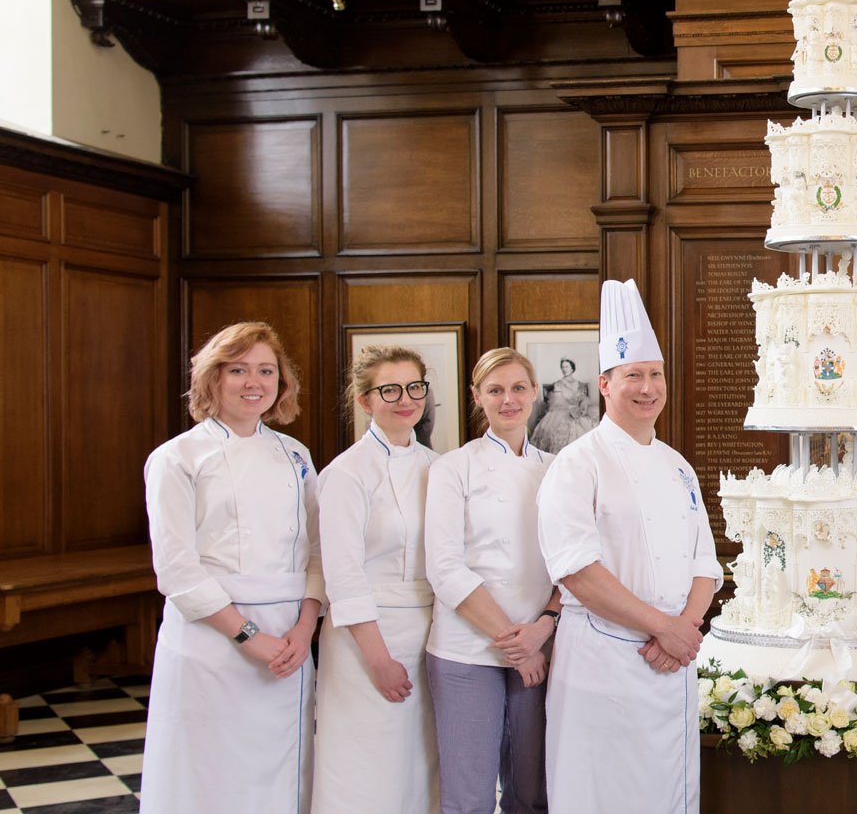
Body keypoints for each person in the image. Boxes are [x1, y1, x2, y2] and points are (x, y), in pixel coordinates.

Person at [538, 280, 723, 813]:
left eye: (655, 374)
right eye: (633, 375)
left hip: (671, 662)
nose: (647, 388)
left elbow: (704, 563)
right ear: (604, 384)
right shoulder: (577, 464)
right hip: (604, 662)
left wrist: (682, 628)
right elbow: (577, 572)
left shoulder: (677, 466)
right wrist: (663, 627)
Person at [140, 322, 323, 814]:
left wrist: (305, 629)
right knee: (208, 777)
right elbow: (177, 569)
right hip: (211, 640)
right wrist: (248, 636)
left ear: (281, 381)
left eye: (266, 370)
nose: (253, 382)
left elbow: (317, 552)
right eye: (238, 370)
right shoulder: (176, 458)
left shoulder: (296, 455)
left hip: (288, 641)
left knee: (282, 774)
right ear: (212, 378)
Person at [425, 348, 560, 814]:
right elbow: (445, 569)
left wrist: (540, 631)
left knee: (533, 793)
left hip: (541, 644)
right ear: (476, 396)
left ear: (535, 392)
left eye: (518, 388)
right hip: (467, 649)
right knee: (469, 797)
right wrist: (516, 645)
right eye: (495, 390)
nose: (508, 399)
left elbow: (573, 563)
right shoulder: (452, 468)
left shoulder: (557, 470)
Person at [314, 345, 444, 813]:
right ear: (365, 400)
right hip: (366, 640)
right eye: (389, 390)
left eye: (414, 387)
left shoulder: (436, 466)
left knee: (420, 763)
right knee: (369, 763)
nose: (405, 399)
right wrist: (378, 659)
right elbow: (342, 575)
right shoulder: (347, 473)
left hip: (428, 632)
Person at [530, 357, 599, 455]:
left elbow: (584, 398)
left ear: (572, 368)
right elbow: (558, 401)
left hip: (579, 410)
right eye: (562, 367)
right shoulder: (558, 384)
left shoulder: (580, 384)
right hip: (563, 411)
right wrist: (571, 409)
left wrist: (583, 405)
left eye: (567, 367)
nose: (564, 369)